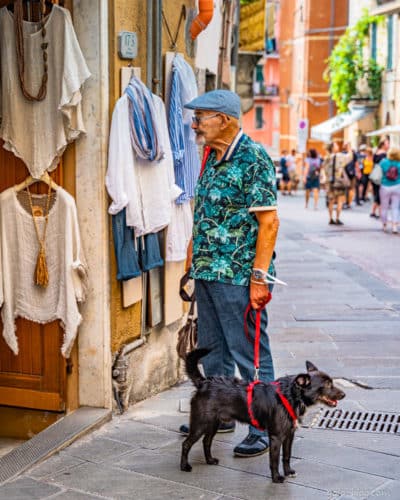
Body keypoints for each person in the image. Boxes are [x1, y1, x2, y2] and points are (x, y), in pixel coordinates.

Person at [180, 89, 279, 458]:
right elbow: (204, 210)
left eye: (200, 117)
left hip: (238, 276)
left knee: (249, 353)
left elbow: (269, 223)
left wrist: (258, 277)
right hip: (207, 271)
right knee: (214, 350)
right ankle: (218, 413)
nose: (195, 125)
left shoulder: (253, 158)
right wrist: (193, 253)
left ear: (224, 119)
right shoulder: (211, 155)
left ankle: (264, 426)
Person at [323, 141, 352, 225]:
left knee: (331, 200)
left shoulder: (326, 158)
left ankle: (330, 218)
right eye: (336, 145)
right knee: (340, 200)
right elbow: (350, 157)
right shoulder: (339, 156)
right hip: (339, 182)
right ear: (333, 148)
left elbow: (324, 170)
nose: (337, 146)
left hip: (329, 182)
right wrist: (349, 148)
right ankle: (337, 218)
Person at [379, 147, 400, 234]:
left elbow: (378, 173)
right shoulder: (399, 163)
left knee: (384, 207)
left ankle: (384, 224)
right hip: (397, 185)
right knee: (395, 207)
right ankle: (394, 227)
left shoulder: (383, 162)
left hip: (385, 186)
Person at [370, 139, 390, 219]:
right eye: (387, 143)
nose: (388, 145)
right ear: (383, 145)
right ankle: (378, 212)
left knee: (377, 194)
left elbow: (373, 164)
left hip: (375, 176)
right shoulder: (384, 154)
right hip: (381, 176)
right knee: (380, 195)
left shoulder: (376, 153)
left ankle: (375, 211)